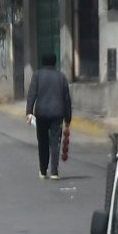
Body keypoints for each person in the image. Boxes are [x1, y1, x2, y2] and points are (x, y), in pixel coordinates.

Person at [25, 53, 73, 181]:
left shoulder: (37, 75)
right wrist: (68, 118)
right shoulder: (61, 77)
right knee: (55, 143)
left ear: (43, 62)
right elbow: (67, 99)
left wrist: (29, 112)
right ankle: (54, 172)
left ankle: (43, 170)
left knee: (43, 142)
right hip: (57, 114)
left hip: (41, 114)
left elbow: (31, 94)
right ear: (55, 62)